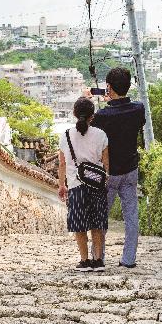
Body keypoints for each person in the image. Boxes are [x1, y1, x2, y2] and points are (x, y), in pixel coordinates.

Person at [87, 67, 146, 268]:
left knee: (101, 217)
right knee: (131, 216)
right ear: (129, 86)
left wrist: (103, 103)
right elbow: (134, 119)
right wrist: (114, 100)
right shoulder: (139, 108)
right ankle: (128, 259)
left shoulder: (103, 115)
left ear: (108, 87)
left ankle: (99, 256)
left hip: (108, 172)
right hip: (130, 169)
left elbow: (91, 135)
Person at [58, 97, 109, 272]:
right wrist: (105, 180)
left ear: (74, 114)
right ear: (92, 116)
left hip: (75, 185)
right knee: (97, 223)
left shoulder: (65, 135)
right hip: (97, 185)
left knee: (79, 224)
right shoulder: (101, 134)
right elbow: (106, 163)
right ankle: (98, 260)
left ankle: (84, 260)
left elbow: (62, 164)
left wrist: (61, 185)